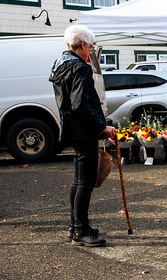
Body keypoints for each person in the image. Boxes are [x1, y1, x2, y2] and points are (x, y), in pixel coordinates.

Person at [50, 25, 117, 247]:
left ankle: (76, 226)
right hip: (84, 130)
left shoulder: (61, 63)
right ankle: (80, 231)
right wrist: (102, 128)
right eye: (91, 47)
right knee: (85, 182)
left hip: (73, 128)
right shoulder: (80, 67)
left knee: (79, 181)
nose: (91, 52)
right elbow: (80, 104)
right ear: (83, 45)